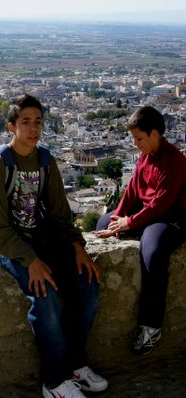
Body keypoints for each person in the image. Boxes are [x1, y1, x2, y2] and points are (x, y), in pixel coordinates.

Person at [0, 94, 106, 398]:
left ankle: (76, 364)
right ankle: (54, 381)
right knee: (45, 294)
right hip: (9, 246)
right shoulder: (0, 164)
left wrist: (78, 247)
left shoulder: (46, 161)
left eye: (38, 122)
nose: (33, 128)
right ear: (12, 126)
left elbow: (61, 214)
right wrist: (30, 260)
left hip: (42, 239)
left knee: (88, 282)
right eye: (25, 122)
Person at [95, 105, 186, 356]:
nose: (136, 144)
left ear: (155, 134)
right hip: (148, 212)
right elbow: (133, 189)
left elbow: (161, 205)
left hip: (170, 218)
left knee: (153, 250)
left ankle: (151, 325)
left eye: (139, 138)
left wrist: (129, 223)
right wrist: (118, 217)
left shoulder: (175, 161)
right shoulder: (146, 156)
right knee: (103, 225)